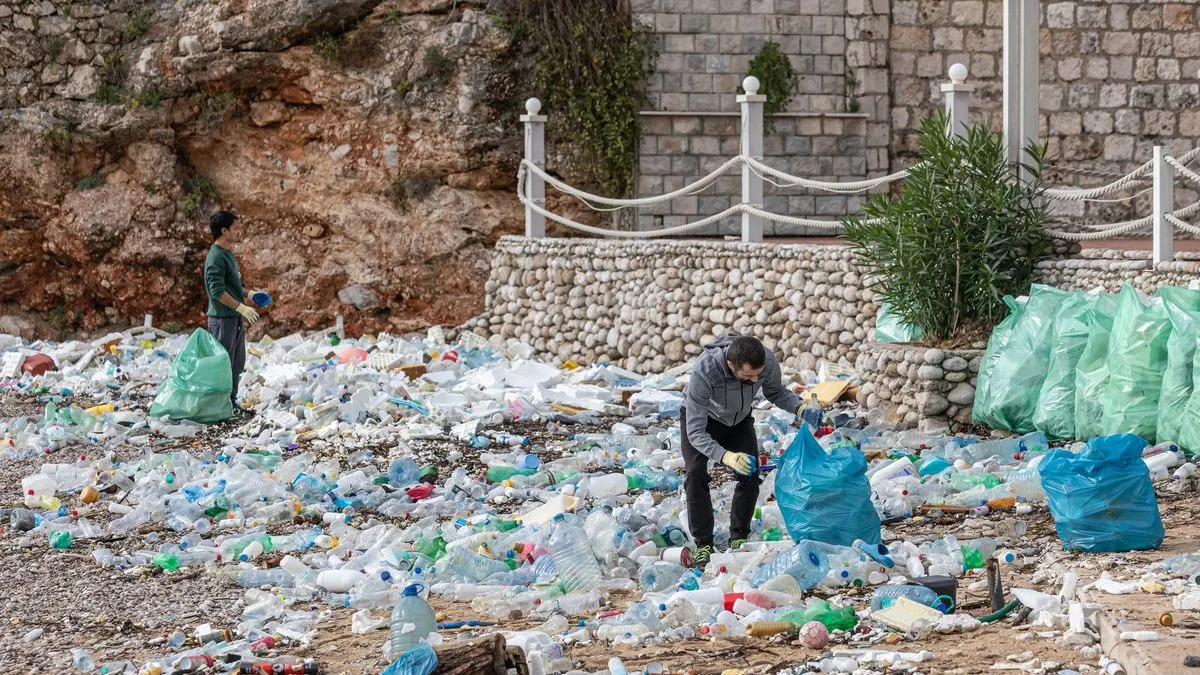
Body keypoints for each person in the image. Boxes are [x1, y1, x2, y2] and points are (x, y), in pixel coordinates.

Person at [682, 333, 802, 568]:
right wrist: (726, 456)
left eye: (757, 374)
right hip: (704, 420)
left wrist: (801, 408)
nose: (755, 378)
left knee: (749, 471)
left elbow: (775, 392)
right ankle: (704, 543)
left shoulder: (765, 360)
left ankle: (739, 537)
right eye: (748, 376)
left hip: (739, 420)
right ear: (731, 365)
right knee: (695, 473)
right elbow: (695, 432)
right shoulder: (705, 370)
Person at [204, 210, 265, 414]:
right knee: (221, 365)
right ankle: (217, 407)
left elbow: (234, 287)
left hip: (234, 318)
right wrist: (240, 306)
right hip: (221, 319)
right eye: (235, 227)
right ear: (224, 230)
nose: (239, 231)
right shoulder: (215, 257)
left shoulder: (228, 254)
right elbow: (217, 291)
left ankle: (230, 403)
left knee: (237, 363)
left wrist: (251, 295)